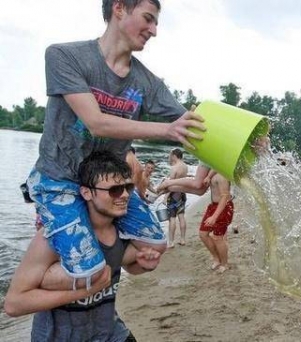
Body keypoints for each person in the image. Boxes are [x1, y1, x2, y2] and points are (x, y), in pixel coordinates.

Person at [25, 0, 205, 286]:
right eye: (148, 19)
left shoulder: (148, 83)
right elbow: (96, 121)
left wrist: (250, 140)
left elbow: (194, 122)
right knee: (89, 272)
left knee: (156, 245)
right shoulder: (64, 55)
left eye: (156, 22)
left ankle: (94, 265)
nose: (154, 30)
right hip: (60, 179)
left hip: (111, 186)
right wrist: (167, 130)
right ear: (119, 8)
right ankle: (33, 282)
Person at [5, 151, 163, 341]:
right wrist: (85, 291)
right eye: (114, 190)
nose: (124, 195)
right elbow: (14, 304)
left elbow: (126, 266)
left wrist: (143, 265)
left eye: (128, 187)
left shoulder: (124, 231)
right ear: (86, 192)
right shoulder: (53, 239)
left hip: (111, 333)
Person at [199, 172, 234, 273]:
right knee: (203, 234)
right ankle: (217, 259)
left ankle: (224, 263)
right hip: (213, 206)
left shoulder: (222, 175)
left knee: (218, 238)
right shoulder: (213, 172)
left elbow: (225, 196)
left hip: (223, 208)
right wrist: (208, 177)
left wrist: (214, 217)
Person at [164, 148, 189, 248]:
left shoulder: (174, 168)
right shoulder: (185, 166)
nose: (170, 157)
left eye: (171, 155)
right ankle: (183, 239)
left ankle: (171, 242)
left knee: (172, 218)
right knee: (181, 216)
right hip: (182, 194)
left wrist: (165, 197)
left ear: (174, 155)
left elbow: (170, 184)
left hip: (174, 194)